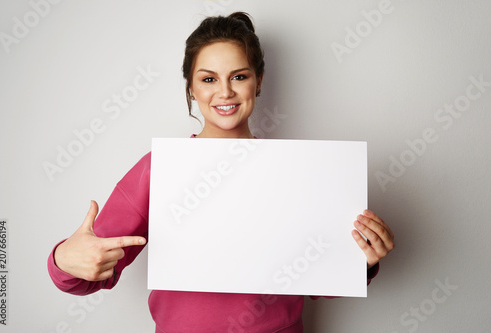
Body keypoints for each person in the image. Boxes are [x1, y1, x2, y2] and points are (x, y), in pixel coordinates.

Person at [48, 12, 395, 332]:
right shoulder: (161, 168)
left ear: (258, 82)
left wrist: (360, 261)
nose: (225, 91)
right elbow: (89, 274)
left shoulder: (297, 171)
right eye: (209, 78)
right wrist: (64, 259)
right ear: (191, 87)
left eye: (239, 76)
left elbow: (322, 283)